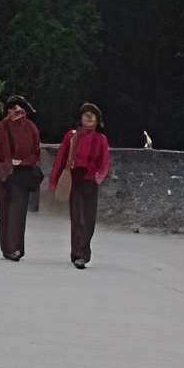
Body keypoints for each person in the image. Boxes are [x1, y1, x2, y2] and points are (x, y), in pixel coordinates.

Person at [49, 102, 111, 268]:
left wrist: (98, 177)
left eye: (92, 115)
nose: (89, 118)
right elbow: (61, 158)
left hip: (90, 180)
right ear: (81, 118)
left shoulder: (101, 139)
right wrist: (54, 180)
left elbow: (104, 161)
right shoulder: (71, 136)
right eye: (86, 115)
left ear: (97, 120)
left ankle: (83, 251)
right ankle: (78, 254)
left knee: (89, 218)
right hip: (74, 178)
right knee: (77, 217)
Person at [0, 94, 43, 261]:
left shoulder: (31, 127)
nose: (16, 112)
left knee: (17, 212)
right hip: (4, 174)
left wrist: (23, 162)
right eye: (12, 109)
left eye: (19, 109)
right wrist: (2, 166)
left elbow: (36, 152)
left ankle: (15, 248)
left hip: (22, 173)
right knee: (4, 211)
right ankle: (8, 248)